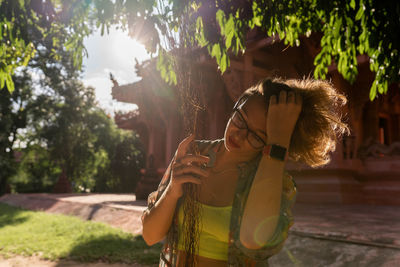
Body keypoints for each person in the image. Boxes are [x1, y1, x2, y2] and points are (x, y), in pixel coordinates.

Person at [141, 77, 349, 266]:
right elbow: (150, 235)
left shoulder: (272, 181)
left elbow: (252, 242)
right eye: (240, 118)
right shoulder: (192, 154)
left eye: (257, 136)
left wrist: (279, 143)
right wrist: (173, 190)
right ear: (235, 106)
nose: (239, 135)